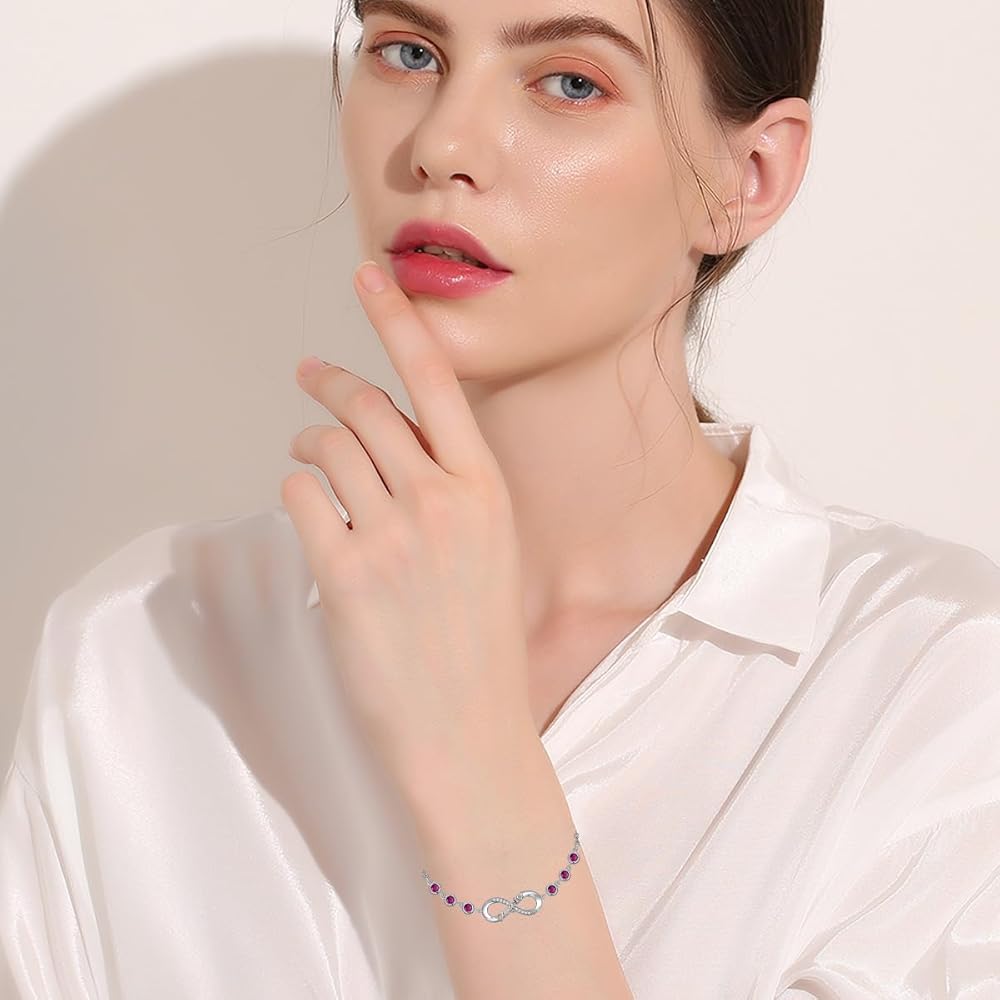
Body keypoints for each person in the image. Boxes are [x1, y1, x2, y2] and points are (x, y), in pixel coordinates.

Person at [3, 0, 998, 997]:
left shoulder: (939, 690)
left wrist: (478, 766)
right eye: (409, 52)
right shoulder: (137, 648)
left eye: (571, 81)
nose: (440, 146)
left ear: (750, 176)